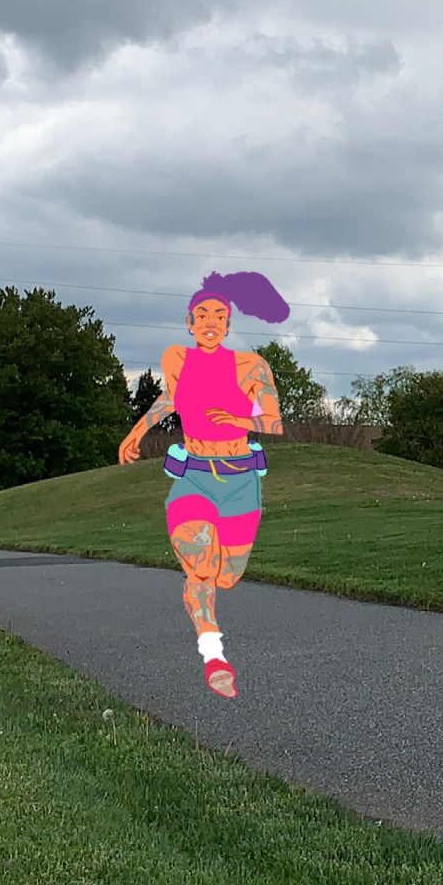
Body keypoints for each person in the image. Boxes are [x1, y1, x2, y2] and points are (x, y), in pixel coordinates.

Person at [119, 271, 289, 698]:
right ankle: (214, 654)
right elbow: (170, 400)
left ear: (229, 324)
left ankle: (215, 610)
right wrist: (137, 432)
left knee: (226, 576)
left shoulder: (252, 366)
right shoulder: (176, 358)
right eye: (202, 315)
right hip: (193, 476)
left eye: (219, 315)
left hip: (240, 482)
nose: (211, 322)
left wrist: (239, 420)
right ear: (190, 323)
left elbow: (274, 421)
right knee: (199, 569)